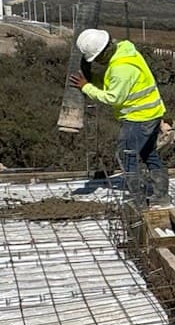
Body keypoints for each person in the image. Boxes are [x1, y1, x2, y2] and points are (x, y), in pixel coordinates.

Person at [71, 27, 167, 201]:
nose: (98, 62)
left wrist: (86, 87)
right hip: (151, 113)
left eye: (97, 58)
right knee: (147, 152)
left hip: (138, 117)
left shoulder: (121, 68)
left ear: (103, 53)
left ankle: (137, 198)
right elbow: (113, 82)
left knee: (127, 155)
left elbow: (113, 97)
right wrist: (95, 80)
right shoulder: (125, 51)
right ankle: (160, 193)